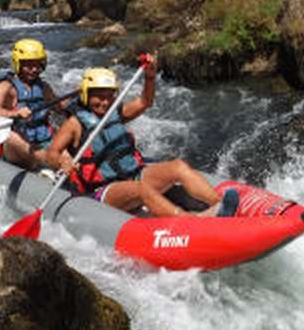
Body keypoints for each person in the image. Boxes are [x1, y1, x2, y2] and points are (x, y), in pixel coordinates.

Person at [46, 60, 239, 218]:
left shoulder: (115, 113)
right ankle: (189, 221)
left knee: (178, 166)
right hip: (102, 190)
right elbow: (51, 153)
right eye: (98, 97)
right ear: (86, 94)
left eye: (109, 96)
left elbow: (145, 102)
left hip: (132, 174)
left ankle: (220, 206)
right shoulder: (74, 124)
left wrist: (149, 77)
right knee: (141, 189)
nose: (104, 102)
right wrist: (63, 161)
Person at [0, 38, 70, 170]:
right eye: (29, 65)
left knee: (64, 145)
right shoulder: (6, 87)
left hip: (42, 139)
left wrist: (75, 103)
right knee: (11, 137)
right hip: (16, 146)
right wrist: (15, 113)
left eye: (38, 65)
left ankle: (70, 169)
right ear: (18, 63)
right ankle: (48, 161)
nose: (34, 69)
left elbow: (59, 107)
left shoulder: (44, 87)